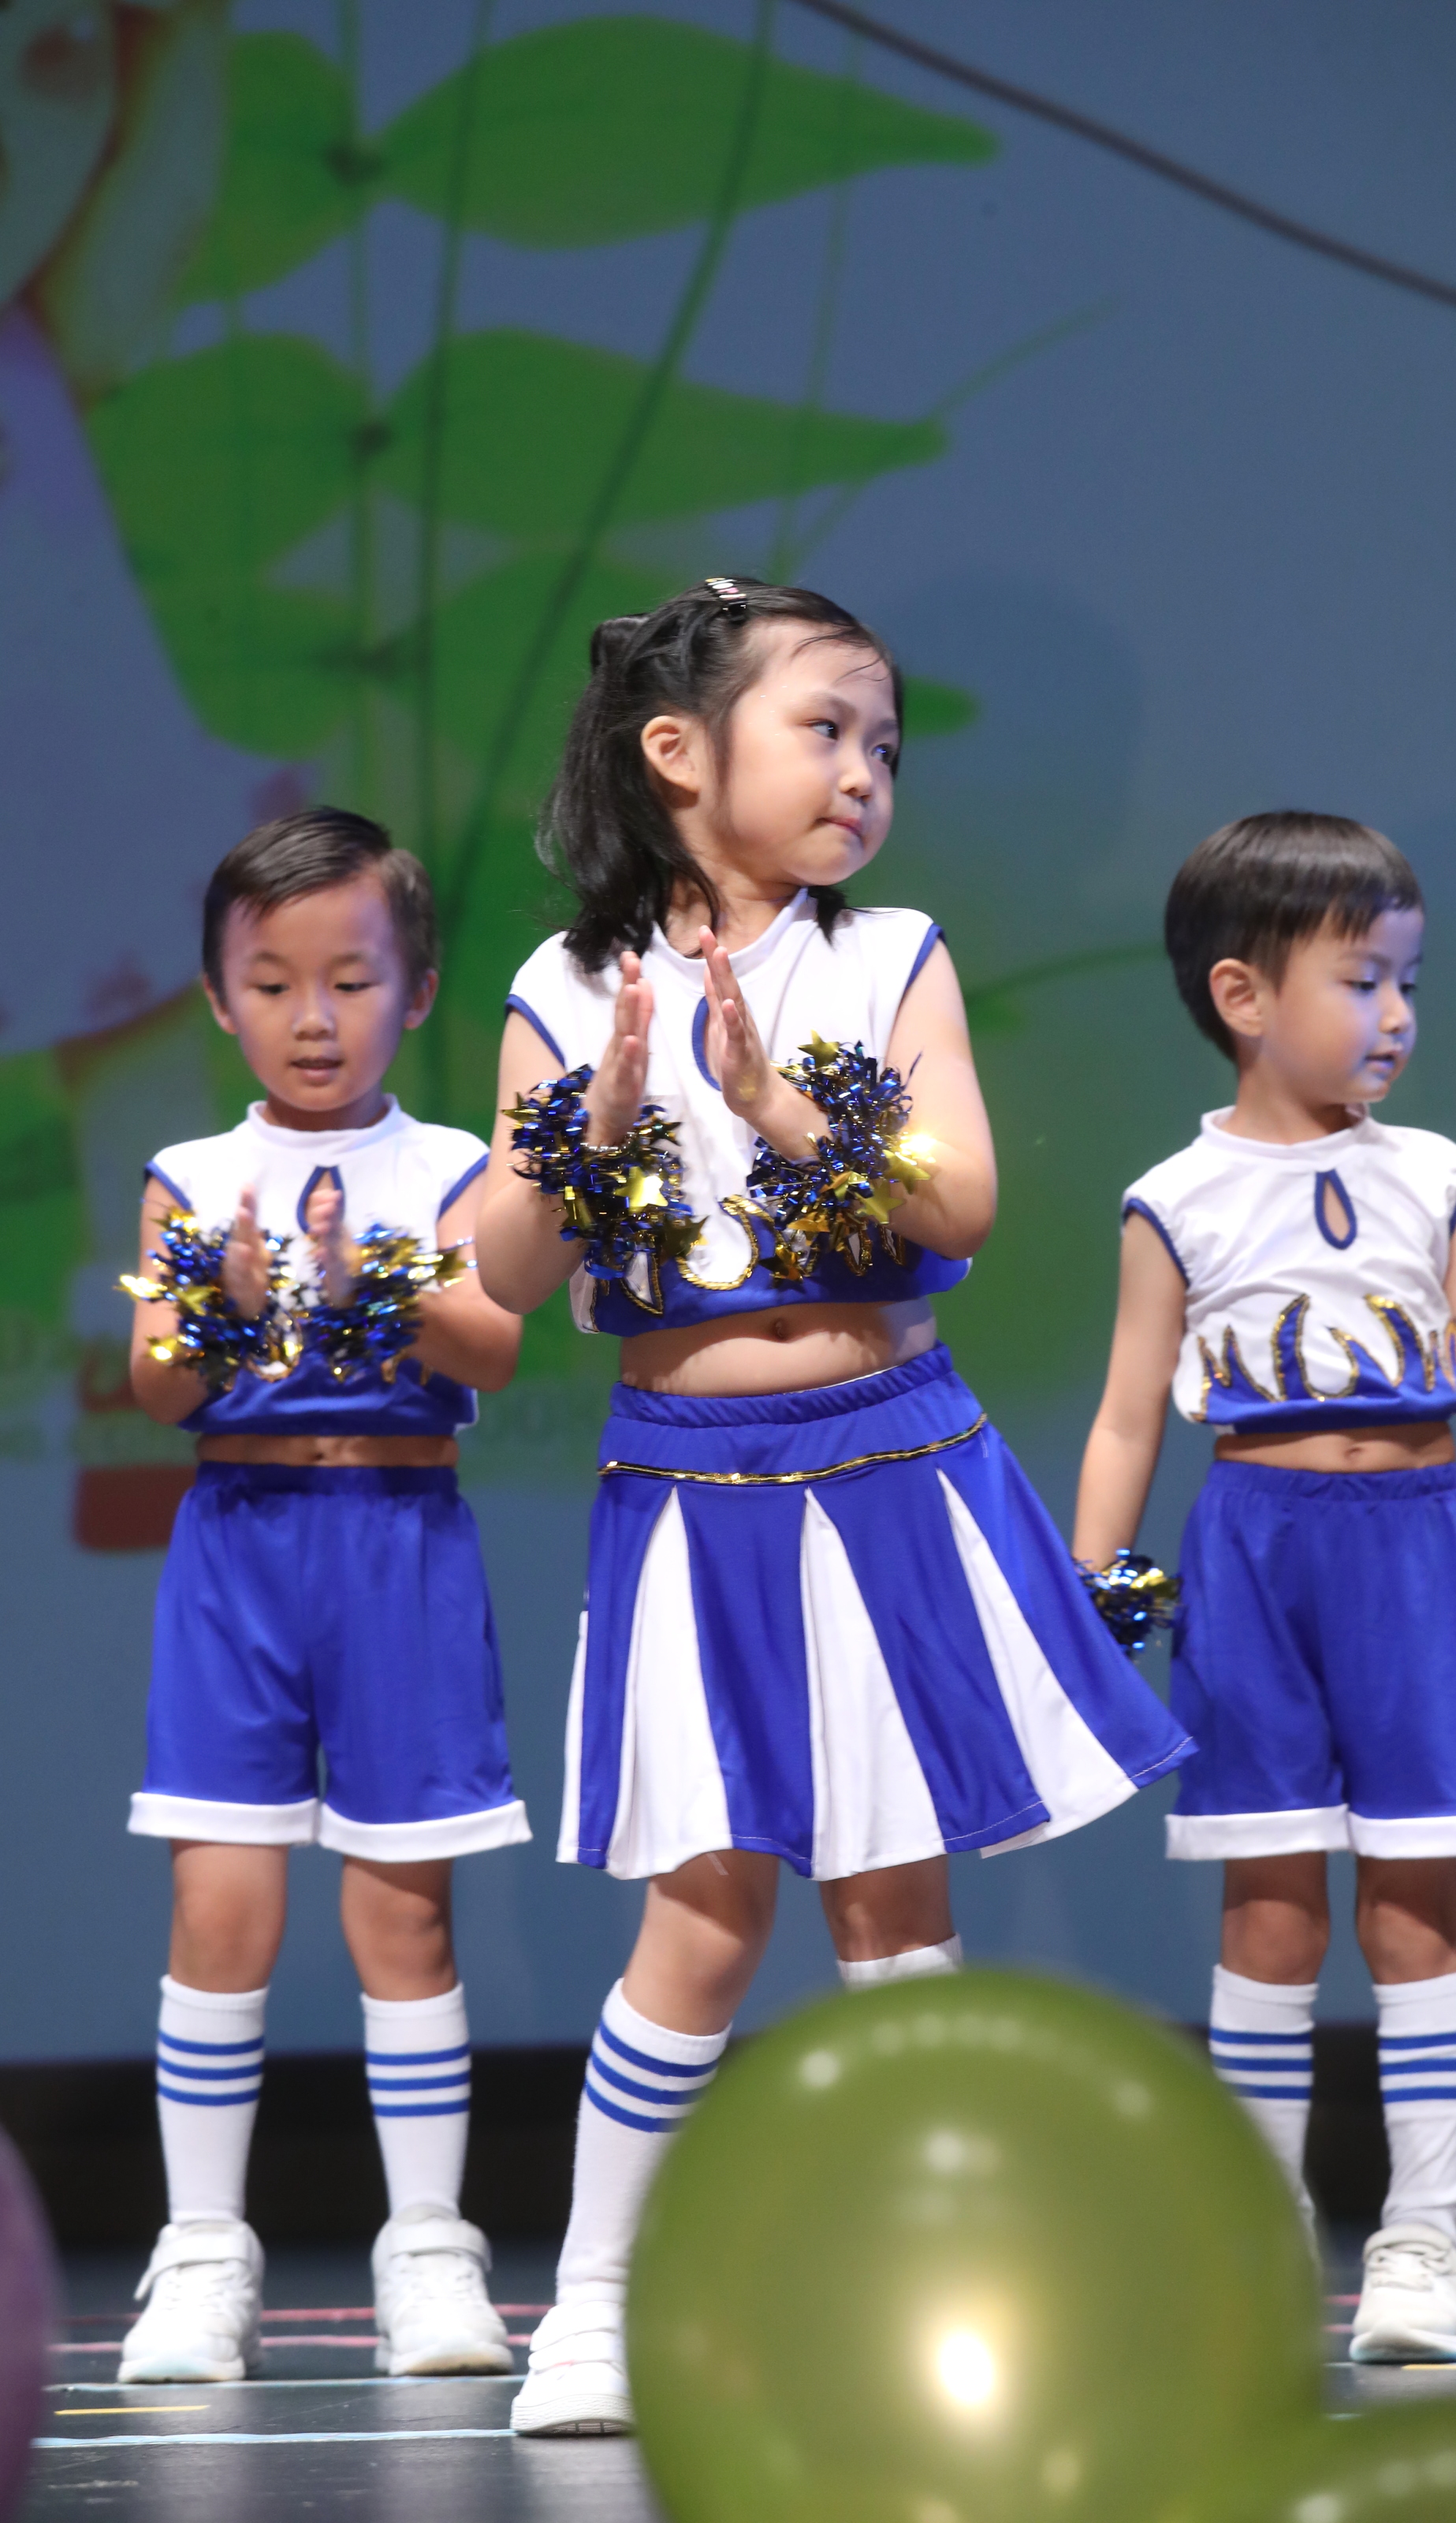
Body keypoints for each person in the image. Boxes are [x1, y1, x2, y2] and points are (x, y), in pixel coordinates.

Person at [474, 576, 1194, 2437]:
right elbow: (501, 1267)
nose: (864, 771)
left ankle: (930, 2300)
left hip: (887, 1457)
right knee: (703, 1905)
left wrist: (779, 1109)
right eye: (824, 729)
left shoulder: (890, 957)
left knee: (890, 1891)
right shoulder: (563, 989)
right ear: (675, 752)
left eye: (884, 742)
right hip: (687, 1488)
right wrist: (598, 1124)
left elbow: (954, 1207)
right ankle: (593, 2304)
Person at [1073, 811, 1456, 2365]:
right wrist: (1088, 1603)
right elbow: (1125, 1415)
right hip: (1253, 1558)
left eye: (1406, 984)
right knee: (1269, 1908)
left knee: (1417, 1903)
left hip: (1416, 1554)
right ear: (1241, 996)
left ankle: (1421, 2243)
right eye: (1360, 981)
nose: (1393, 1016)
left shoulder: (1432, 1175)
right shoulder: (1172, 1197)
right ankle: (1257, 2236)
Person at [119, 810, 527, 2384]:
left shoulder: (453, 1168)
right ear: (218, 998)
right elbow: (159, 1386)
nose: (312, 1016)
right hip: (239, 1549)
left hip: (400, 1543)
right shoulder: (190, 1177)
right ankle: (200, 2252)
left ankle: (427, 2245)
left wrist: (385, 1290)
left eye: (350, 981)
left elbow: (495, 1347)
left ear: (414, 991)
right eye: (274, 982)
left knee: (403, 1912)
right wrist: (225, 1314)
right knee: (218, 1909)